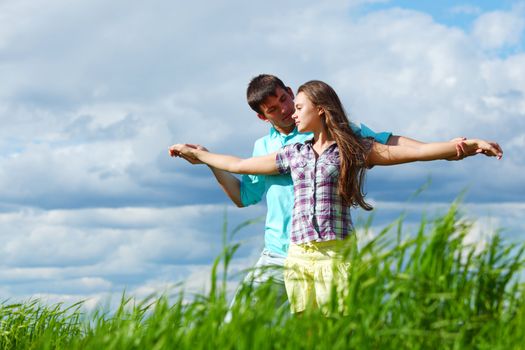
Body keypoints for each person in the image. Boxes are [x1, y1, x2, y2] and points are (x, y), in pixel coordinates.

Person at [169, 80, 502, 314]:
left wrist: (461, 147)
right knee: (283, 327)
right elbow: (239, 168)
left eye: (294, 104)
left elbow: (407, 151)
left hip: (334, 252)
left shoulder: (351, 146)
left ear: (318, 108)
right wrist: (201, 156)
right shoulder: (291, 152)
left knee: (337, 328)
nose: (289, 112)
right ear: (263, 115)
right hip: (291, 253)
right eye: (278, 109)